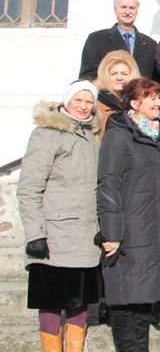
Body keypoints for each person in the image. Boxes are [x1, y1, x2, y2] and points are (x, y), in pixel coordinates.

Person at [17, 81, 103, 352]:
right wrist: (35, 235)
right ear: (66, 101)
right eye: (78, 100)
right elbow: (29, 187)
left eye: (89, 101)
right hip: (55, 234)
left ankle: (74, 348)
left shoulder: (92, 134)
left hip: (86, 233)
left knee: (81, 299)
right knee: (51, 300)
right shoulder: (47, 133)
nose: (83, 106)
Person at [97, 78, 160, 351]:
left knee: (144, 302)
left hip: (155, 233)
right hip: (127, 233)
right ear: (134, 103)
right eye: (152, 98)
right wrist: (113, 233)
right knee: (123, 303)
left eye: (158, 97)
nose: (158, 103)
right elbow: (108, 185)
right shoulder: (118, 135)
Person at [79, 0, 156, 80]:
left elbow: (155, 78)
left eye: (132, 8)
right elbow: (87, 74)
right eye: (123, 7)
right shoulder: (96, 39)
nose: (127, 12)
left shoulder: (150, 44)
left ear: (137, 11)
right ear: (115, 10)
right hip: (107, 93)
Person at [93, 50, 140, 129]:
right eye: (113, 74)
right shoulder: (96, 102)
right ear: (105, 76)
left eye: (124, 74)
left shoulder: (137, 101)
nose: (119, 78)